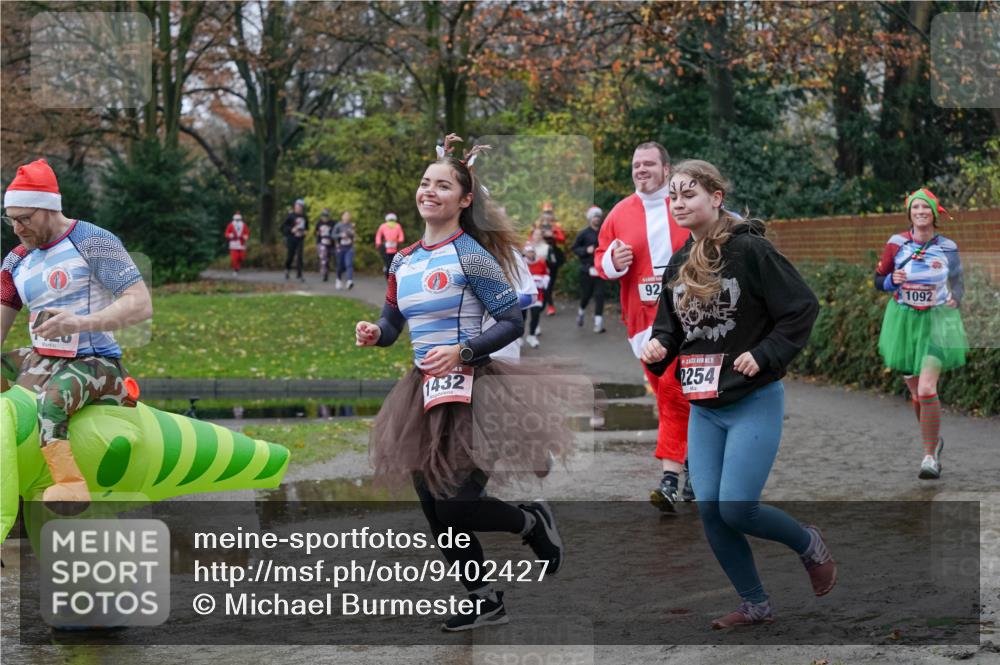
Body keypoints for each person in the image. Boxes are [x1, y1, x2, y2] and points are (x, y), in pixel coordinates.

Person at [355, 134, 567, 632]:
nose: (430, 191)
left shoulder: (471, 255)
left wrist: (464, 350)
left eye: (443, 185)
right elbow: (392, 323)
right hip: (423, 392)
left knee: (456, 504)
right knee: (435, 508)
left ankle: (530, 521)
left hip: (475, 390)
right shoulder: (403, 260)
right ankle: (484, 598)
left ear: (465, 199)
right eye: (425, 182)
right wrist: (376, 333)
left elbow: (511, 321)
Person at [641, 159, 834, 629]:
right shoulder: (679, 262)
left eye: (689, 194)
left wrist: (765, 353)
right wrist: (658, 345)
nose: (679, 203)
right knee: (711, 511)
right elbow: (671, 330)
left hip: (753, 400)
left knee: (737, 507)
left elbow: (801, 307)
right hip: (704, 408)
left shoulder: (750, 250)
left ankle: (807, 543)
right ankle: (755, 605)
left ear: (716, 197)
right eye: (673, 196)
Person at [1, 159, 152, 513]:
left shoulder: (93, 241)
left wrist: (80, 323)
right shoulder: (15, 261)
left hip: (96, 361)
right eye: (10, 219)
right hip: (41, 359)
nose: (17, 228)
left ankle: (70, 485)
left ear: (49, 209)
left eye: (25, 218)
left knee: (50, 402)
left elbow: (140, 304)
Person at [594, 141, 693, 511]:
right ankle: (692, 467)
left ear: (667, 169)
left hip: (690, 322)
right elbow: (600, 262)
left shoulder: (684, 205)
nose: (641, 170)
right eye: (636, 165)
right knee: (670, 396)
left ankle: (672, 477)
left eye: (649, 164)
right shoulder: (619, 213)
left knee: (673, 392)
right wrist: (614, 261)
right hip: (643, 325)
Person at [874, 188, 967, 480]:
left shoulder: (948, 247)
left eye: (925, 208)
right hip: (903, 324)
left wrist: (955, 298)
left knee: (927, 389)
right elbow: (879, 279)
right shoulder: (896, 243)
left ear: (934, 213)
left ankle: (929, 457)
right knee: (916, 394)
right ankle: (934, 441)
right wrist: (891, 280)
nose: (920, 212)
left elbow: (958, 282)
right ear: (909, 213)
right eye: (915, 208)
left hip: (938, 322)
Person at [571, 205, 606, 333]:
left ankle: (598, 323)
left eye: (598, 217)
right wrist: (586, 250)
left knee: (600, 295)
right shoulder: (584, 233)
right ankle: (581, 312)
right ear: (590, 218)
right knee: (586, 295)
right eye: (594, 217)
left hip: (600, 269)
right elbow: (574, 248)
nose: (597, 219)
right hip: (587, 270)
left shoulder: (604, 231)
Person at [522, 242, 549, 349]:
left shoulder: (541, 262)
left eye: (532, 252)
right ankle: (519, 337)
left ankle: (532, 336)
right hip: (523, 294)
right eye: (528, 252)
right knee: (522, 317)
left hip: (537, 293)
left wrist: (542, 280)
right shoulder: (521, 263)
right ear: (524, 253)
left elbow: (546, 275)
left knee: (535, 314)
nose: (530, 254)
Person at [281, 199, 308, 282]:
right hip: (291, 239)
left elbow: (306, 227)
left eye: (301, 207)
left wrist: (305, 231)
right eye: (298, 206)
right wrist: (291, 229)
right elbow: (282, 227)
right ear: (295, 207)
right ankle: (287, 268)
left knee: (300, 256)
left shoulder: (304, 217)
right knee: (290, 256)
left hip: (300, 239)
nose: (299, 208)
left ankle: (299, 275)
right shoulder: (290, 216)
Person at [375, 212, 406, 278]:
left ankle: (389, 272)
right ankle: (388, 271)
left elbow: (378, 235)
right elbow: (379, 235)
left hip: (392, 247)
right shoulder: (397, 226)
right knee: (390, 262)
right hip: (390, 247)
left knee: (391, 262)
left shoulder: (385, 226)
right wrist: (400, 241)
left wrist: (378, 243)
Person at [334, 211, 356, 290]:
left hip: (349, 248)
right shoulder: (338, 225)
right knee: (340, 265)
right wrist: (340, 235)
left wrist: (353, 233)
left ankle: (349, 281)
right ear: (342, 217)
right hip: (340, 248)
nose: (347, 217)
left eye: (348, 216)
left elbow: (354, 237)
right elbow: (332, 235)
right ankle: (338, 280)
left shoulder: (351, 225)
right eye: (345, 216)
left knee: (349, 264)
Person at [314, 209, 335, 282]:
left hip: (330, 243)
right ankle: (323, 271)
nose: (325, 218)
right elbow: (315, 232)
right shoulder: (319, 223)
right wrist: (317, 233)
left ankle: (326, 272)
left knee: (328, 258)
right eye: (323, 216)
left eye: (326, 216)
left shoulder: (332, 223)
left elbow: (335, 233)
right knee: (323, 257)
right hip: (321, 242)